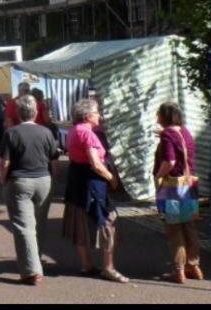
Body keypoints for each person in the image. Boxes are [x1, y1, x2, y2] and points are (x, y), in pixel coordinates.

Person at [63, 99, 129, 283]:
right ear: (87, 116)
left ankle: (87, 264)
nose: (99, 115)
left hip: (77, 181)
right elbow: (95, 164)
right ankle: (108, 267)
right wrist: (112, 178)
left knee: (81, 223)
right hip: (92, 184)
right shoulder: (87, 134)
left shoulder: (73, 131)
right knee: (109, 220)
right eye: (96, 112)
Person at [0, 94, 59, 285]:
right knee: (39, 224)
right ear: (36, 112)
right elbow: (54, 160)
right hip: (43, 180)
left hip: (20, 182)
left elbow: (5, 162)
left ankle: (31, 270)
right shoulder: (46, 132)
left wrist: (3, 180)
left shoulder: (11, 133)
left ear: (18, 113)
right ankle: (35, 259)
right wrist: (53, 180)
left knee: (23, 226)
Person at [153, 102, 203, 284]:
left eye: (158, 114)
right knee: (189, 226)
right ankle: (194, 265)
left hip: (173, 187)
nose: (156, 117)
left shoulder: (167, 134)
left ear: (164, 117)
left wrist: (158, 177)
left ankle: (179, 270)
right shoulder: (185, 132)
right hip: (188, 186)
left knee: (174, 229)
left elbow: (170, 161)